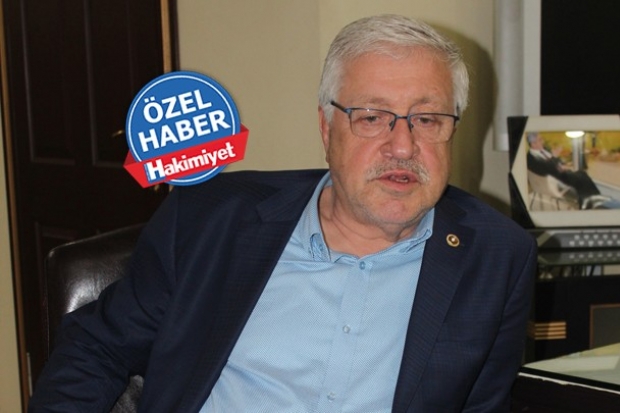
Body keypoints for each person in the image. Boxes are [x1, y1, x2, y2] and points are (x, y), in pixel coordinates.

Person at [30, 14, 537, 412]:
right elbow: (97, 350)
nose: (402, 146)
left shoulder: (496, 256)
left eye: (427, 119)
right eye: (371, 117)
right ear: (327, 128)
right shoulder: (210, 218)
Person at [526, 132, 611, 209]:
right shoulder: (531, 158)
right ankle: (592, 202)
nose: (543, 141)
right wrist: (554, 157)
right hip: (556, 177)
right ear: (533, 144)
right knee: (581, 179)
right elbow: (547, 169)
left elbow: (555, 162)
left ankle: (594, 200)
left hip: (560, 171)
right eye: (540, 140)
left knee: (582, 174)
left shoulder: (543, 150)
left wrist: (561, 164)